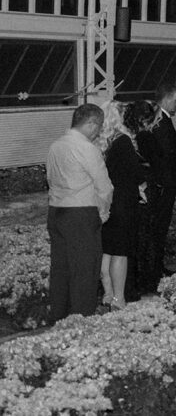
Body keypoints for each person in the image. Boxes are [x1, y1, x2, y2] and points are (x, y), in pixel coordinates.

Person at [46, 103, 114, 322]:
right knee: (85, 270)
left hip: (56, 212)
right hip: (82, 213)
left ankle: (59, 317)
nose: (99, 132)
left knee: (61, 269)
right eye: (99, 126)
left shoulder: (55, 146)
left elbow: (49, 180)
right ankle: (81, 320)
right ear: (91, 123)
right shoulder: (86, 148)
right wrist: (103, 213)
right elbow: (104, 187)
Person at [98, 100, 157, 309]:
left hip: (107, 201)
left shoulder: (102, 142)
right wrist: (143, 180)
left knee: (106, 251)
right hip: (123, 202)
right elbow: (136, 171)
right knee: (120, 253)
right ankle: (119, 298)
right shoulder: (122, 140)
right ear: (116, 117)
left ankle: (107, 294)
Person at [136, 84, 176, 282]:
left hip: (163, 180)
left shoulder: (160, 120)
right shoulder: (160, 122)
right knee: (158, 226)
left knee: (159, 227)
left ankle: (156, 266)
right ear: (165, 100)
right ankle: (154, 270)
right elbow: (167, 153)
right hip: (163, 182)